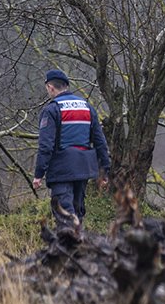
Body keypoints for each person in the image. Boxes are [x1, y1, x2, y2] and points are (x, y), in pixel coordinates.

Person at [32, 69, 111, 226]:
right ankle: (78, 248)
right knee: (77, 214)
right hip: (83, 170)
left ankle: (69, 248)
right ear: (66, 86)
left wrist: (39, 173)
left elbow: (46, 145)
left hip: (62, 170)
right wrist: (105, 170)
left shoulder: (52, 110)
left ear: (50, 87)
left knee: (65, 216)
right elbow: (100, 142)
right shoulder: (87, 108)